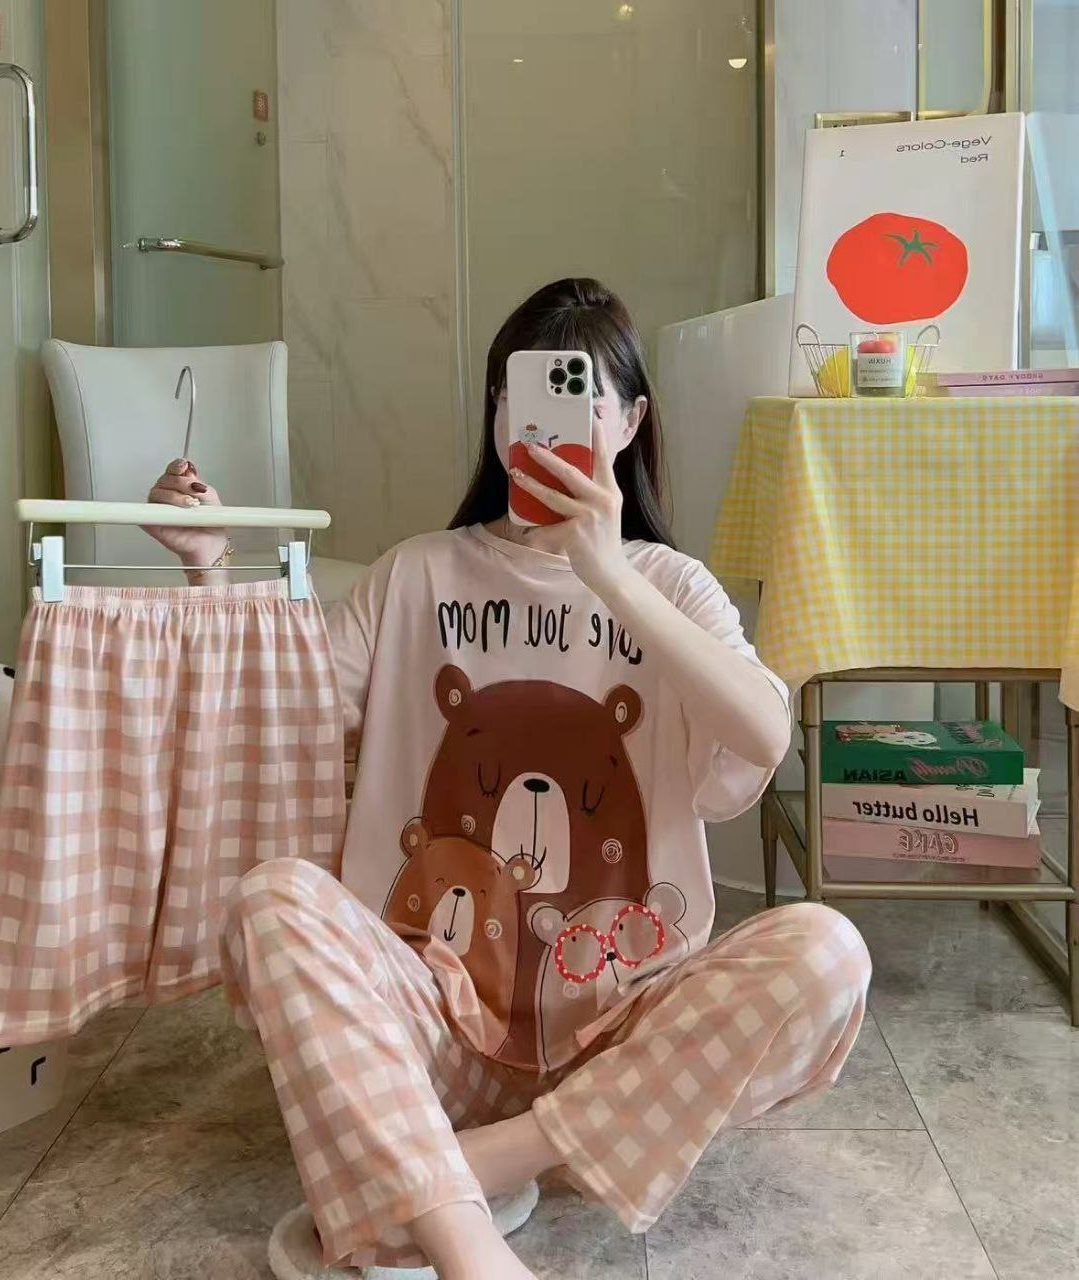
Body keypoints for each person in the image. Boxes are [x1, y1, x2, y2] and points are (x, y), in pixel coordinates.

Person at [146, 278, 871, 1280]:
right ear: (495, 413)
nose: (540, 424)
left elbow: (763, 731)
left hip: (619, 1036)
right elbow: (272, 717)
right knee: (271, 899)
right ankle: (468, 1247)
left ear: (630, 422)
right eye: (514, 394)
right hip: (432, 1026)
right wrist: (210, 565)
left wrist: (609, 572)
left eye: (582, 397)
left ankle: (464, 1166)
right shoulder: (414, 574)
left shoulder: (671, 586)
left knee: (828, 952)